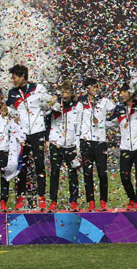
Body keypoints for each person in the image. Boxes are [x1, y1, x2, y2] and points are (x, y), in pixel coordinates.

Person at [6, 64, 52, 211]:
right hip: (22, 134)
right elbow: (8, 110)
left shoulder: (38, 88)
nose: (12, 80)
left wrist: (47, 136)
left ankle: (41, 198)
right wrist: (12, 114)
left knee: (39, 165)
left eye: (14, 78)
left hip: (38, 131)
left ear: (22, 77)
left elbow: (49, 106)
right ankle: (21, 197)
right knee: (22, 166)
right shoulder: (12, 93)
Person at [108, 81, 137, 210]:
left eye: (125, 93)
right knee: (124, 177)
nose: (122, 95)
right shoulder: (119, 109)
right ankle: (132, 198)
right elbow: (110, 123)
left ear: (131, 93)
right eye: (121, 93)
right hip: (125, 147)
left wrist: (136, 88)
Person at [78, 77, 116, 211]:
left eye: (97, 86)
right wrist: (78, 142)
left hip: (100, 142)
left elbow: (116, 110)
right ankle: (91, 202)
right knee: (87, 173)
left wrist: (108, 124)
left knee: (102, 173)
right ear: (87, 88)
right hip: (86, 141)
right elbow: (77, 121)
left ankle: (103, 201)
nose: (96, 89)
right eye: (93, 86)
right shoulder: (81, 102)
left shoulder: (104, 101)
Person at [47, 80, 82, 212]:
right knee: (54, 173)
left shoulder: (77, 106)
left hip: (71, 144)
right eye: (63, 92)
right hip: (56, 144)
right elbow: (45, 114)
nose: (65, 95)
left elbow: (78, 126)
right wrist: (52, 102)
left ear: (72, 93)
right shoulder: (55, 104)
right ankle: (53, 201)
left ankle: (73, 201)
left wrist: (78, 147)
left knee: (72, 173)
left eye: (67, 92)